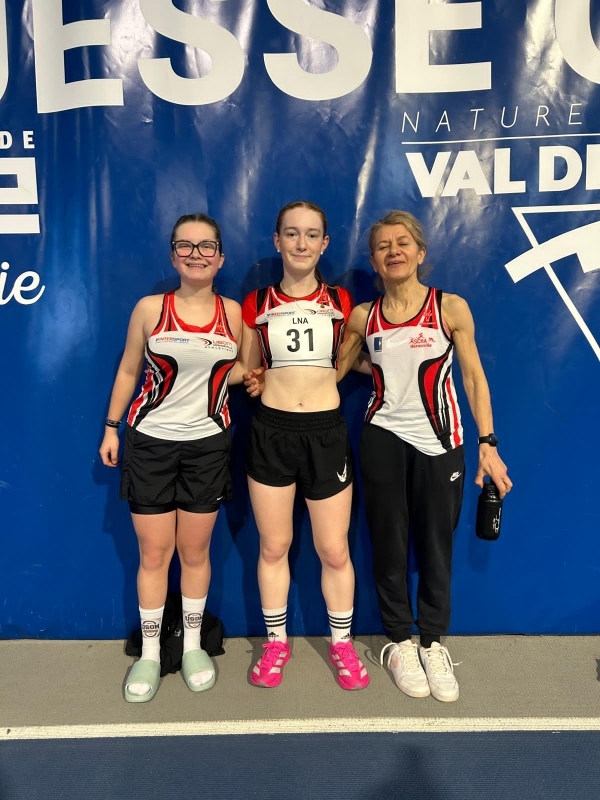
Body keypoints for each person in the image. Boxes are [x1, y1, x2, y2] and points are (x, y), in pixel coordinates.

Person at [338, 210, 512, 702]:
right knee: (388, 545)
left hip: (441, 443)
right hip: (382, 440)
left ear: (420, 253)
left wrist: (488, 444)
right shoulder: (362, 317)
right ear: (374, 260)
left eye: (402, 243)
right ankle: (399, 641)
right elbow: (333, 372)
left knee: (436, 546)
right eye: (383, 246)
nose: (393, 251)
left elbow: (473, 377)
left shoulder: (449, 307)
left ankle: (433, 643)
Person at [99, 213, 241, 703]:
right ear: (173, 255)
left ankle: (195, 646)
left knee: (195, 553)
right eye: (186, 246)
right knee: (155, 554)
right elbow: (128, 370)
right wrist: (112, 427)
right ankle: (150, 654)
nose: (196, 254)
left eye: (206, 246)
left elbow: (241, 369)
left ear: (220, 257)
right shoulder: (150, 308)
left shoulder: (233, 313)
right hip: (151, 444)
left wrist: (255, 378)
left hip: (208, 445)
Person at [239, 201, 369, 691]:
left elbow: (353, 360)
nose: (301, 243)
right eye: (291, 234)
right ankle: (276, 642)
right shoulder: (256, 302)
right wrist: (252, 379)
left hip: (326, 433)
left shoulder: (343, 302)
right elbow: (248, 367)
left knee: (334, 550)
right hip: (271, 431)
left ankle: (341, 644)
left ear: (325, 243)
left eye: (311, 234)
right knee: (274, 546)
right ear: (277, 241)